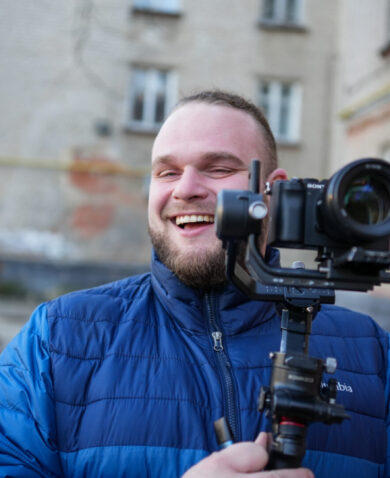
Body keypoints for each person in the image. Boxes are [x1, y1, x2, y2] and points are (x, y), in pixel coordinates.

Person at [0, 90, 388, 478]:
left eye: (218, 168)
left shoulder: (374, 355)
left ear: (273, 193)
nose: (185, 189)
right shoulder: (56, 340)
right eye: (166, 172)